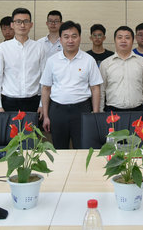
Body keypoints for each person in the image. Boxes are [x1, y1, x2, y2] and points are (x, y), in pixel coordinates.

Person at [40, 21, 102, 149]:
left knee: (83, 149)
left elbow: (95, 88)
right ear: (60, 39)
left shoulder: (88, 60)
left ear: (80, 38)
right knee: (59, 149)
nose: (70, 40)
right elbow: (46, 88)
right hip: (57, 110)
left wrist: (95, 115)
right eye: (66, 36)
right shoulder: (52, 61)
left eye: (74, 36)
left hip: (81, 110)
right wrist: (46, 116)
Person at [0, 8, 46, 114]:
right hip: (8, 102)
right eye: (18, 22)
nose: (22, 25)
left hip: (33, 102)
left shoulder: (39, 47)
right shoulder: (2, 48)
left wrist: (42, 104)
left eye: (26, 21)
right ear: (12, 25)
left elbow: (45, 78)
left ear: (31, 24)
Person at [99, 26, 143, 129]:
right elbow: (101, 92)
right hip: (112, 113)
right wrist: (100, 113)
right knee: (113, 140)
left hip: (137, 112)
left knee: (136, 140)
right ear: (115, 41)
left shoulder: (142, 62)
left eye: (127, 37)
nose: (123, 40)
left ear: (133, 41)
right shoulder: (105, 64)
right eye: (120, 37)